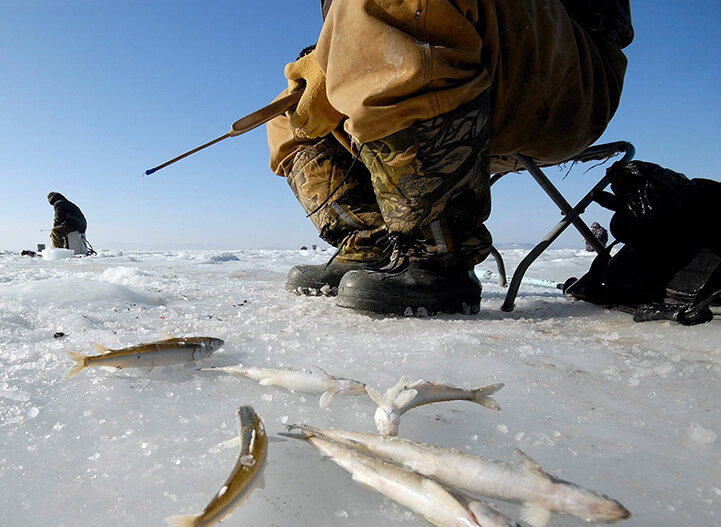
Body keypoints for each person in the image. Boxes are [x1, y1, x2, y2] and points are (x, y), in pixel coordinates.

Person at [268, 0, 632, 315]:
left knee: (386, 7)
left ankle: (438, 251)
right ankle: (370, 244)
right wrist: (325, 61)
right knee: (289, 110)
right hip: (438, 66)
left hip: (562, 64)